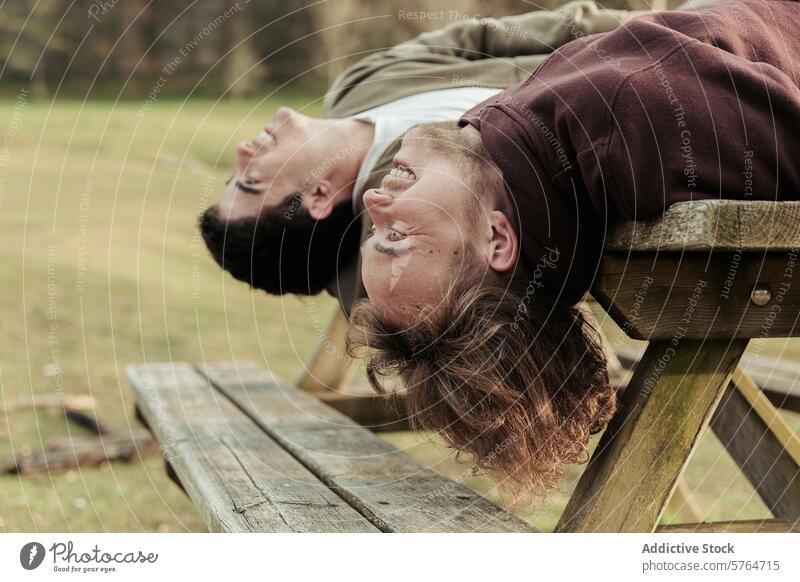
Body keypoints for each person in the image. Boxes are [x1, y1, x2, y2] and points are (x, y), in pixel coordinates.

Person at [348, 0, 800, 495]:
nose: (374, 198)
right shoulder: (634, 122)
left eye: (376, 232)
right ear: (496, 239)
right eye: (395, 236)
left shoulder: (538, 147)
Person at [198, 1, 645, 312]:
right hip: (651, 113)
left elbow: (482, 37)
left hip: (653, 35)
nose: (243, 151)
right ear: (316, 196)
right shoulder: (412, 198)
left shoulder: (358, 85)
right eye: (250, 181)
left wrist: (640, 25)